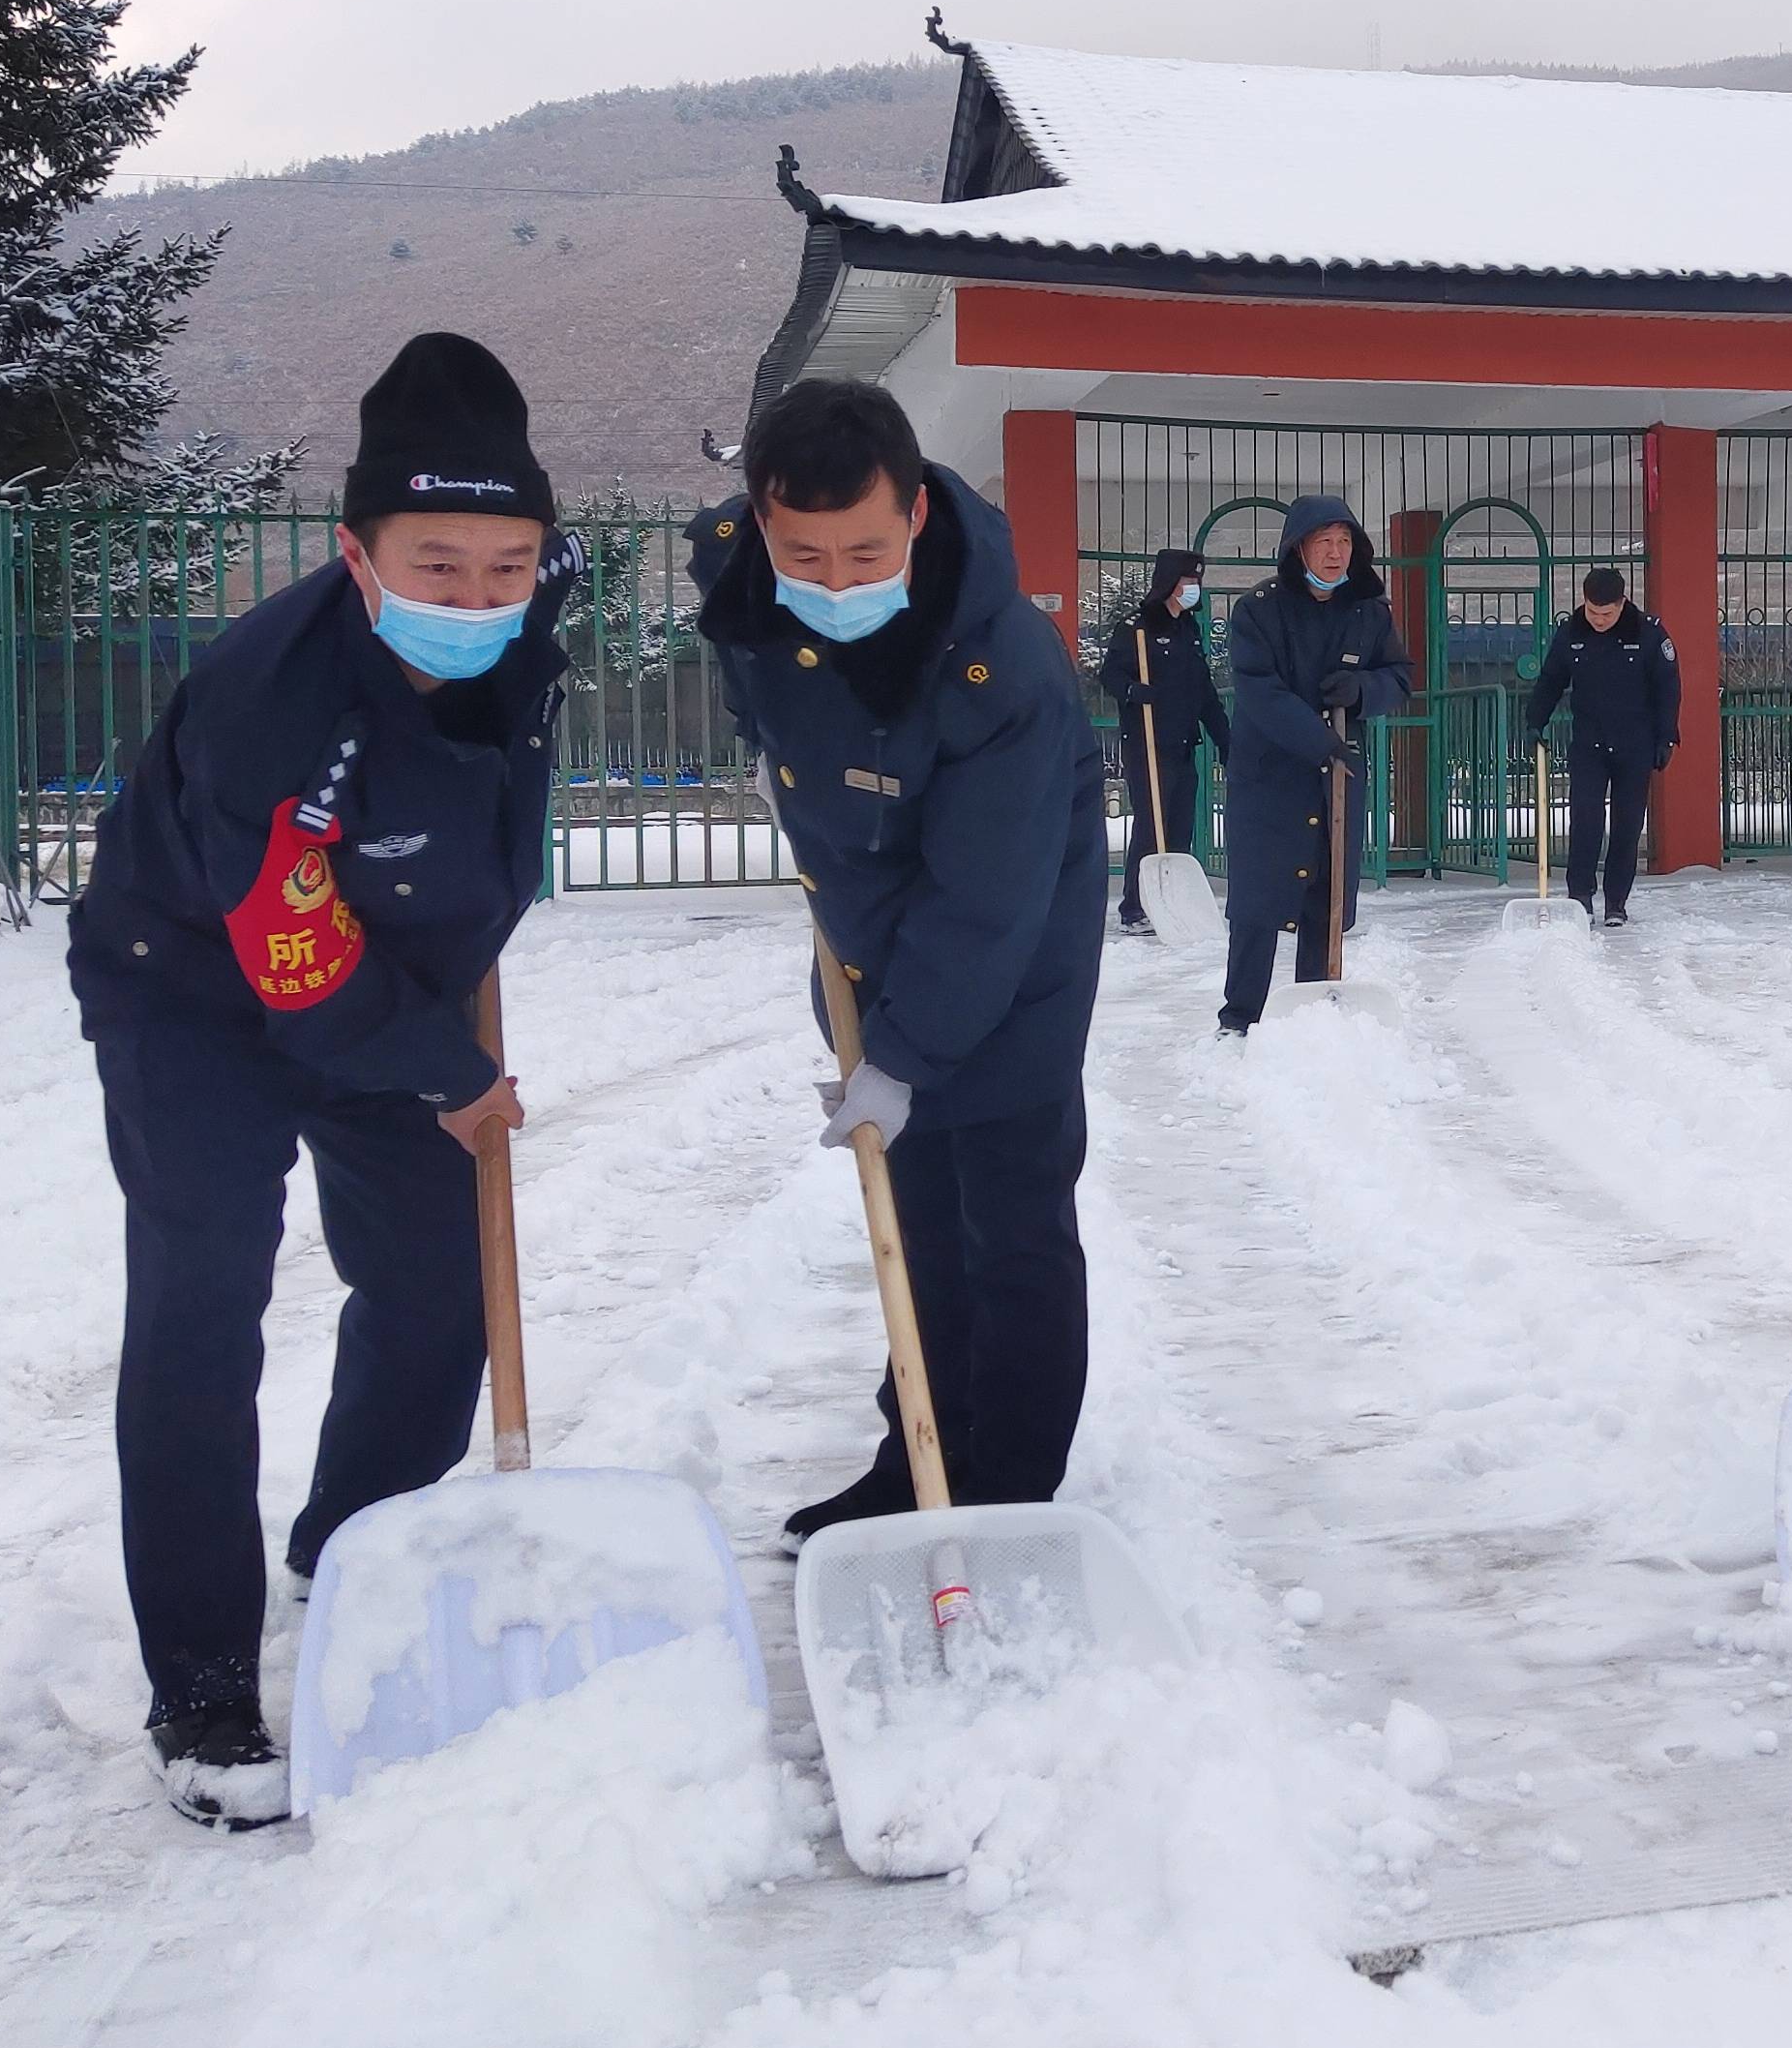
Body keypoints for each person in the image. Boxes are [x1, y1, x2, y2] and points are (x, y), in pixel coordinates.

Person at [66, 332, 578, 1825]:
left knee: (437, 1289)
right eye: (438, 563)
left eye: (507, 563)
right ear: (357, 553)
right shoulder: (267, 693)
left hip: (398, 985)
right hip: (195, 1000)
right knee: (201, 1307)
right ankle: (205, 1683)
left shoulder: (525, 642)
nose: (477, 596)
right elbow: (290, 950)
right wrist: (451, 1071)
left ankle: (354, 1546)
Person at [688, 378, 1107, 1544]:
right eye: (804, 553)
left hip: (1013, 959)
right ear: (761, 522)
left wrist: (903, 1058)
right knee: (913, 1217)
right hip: (869, 941)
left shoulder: (1003, 669)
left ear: (917, 513)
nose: (833, 581)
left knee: (1009, 1226)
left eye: (865, 550)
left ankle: (1009, 1486)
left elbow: (985, 904)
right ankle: (919, 1451)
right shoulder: (742, 578)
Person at [1215, 494, 1413, 1034]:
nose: (1335, 553)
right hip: (1272, 776)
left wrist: (1363, 689)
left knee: (1324, 901)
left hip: (1338, 779)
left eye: (1345, 541)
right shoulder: (1259, 610)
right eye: (1324, 541)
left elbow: (1399, 676)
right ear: (1298, 547)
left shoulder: (1368, 612)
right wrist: (1320, 742)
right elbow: (1259, 691)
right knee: (1259, 903)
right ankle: (1240, 1016)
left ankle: (1311, 1013)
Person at [1520, 563, 1681, 925]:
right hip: (1589, 743)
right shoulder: (1571, 632)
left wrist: (1666, 736)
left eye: (1606, 613)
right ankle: (1580, 897)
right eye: (1593, 611)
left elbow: (1667, 689)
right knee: (1585, 820)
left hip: (1634, 744)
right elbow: (1551, 680)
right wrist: (1535, 720)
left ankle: (1616, 902)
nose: (1599, 619)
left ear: (1622, 603)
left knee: (1627, 825)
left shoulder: (1649, 633)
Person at [1096, 545, 1227, 928]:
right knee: (1151, 826)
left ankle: (1171, 904)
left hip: (1184, 743)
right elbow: (1110, 675)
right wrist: (1134, 691)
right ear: (1170, 583)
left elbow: (1203, 691)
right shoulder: (1136, 628)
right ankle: (1134, 907)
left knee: (1179, 825)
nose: (1194, 587)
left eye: (1197, 581)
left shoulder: (1188, 629)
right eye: (1189, 580)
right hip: (1149, 745)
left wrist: (1224, 739)